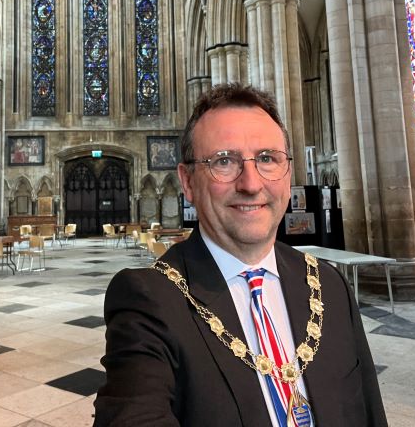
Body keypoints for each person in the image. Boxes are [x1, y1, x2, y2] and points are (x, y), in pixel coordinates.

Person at [94, 84, 387, 426]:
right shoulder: (149, 299)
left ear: (287, 172)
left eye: (267, 158)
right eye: (224, 161)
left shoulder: (327, 284)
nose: (250, 183)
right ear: (187, 182)